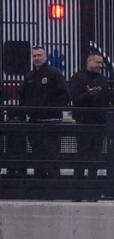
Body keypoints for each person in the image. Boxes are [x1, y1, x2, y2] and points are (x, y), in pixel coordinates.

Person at [17, 46, 70, 177]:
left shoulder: (55, 74)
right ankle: (39, 185)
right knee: (37, 154)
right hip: (34, 122)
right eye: (34, 56)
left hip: (52, 121)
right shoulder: (29, 76)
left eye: (39, 55)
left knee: (52, 154)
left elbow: (65, 95)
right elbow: (22, 97)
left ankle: (54, 184)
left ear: (46, 57)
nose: (37, 58)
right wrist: (24, 113)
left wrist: (51, 108)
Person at [67, 52, 113, 178]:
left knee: (96, 154)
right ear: (89, 62)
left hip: (100, 122)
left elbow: (107, 98)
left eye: (101, 63)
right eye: (98, 62)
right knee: (82, 153)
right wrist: (89, 94)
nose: (100, 65)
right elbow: (75, 98)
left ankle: (92, 182)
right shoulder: (77, 78)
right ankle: (79, 183)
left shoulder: (102, 79)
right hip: (84, 121)